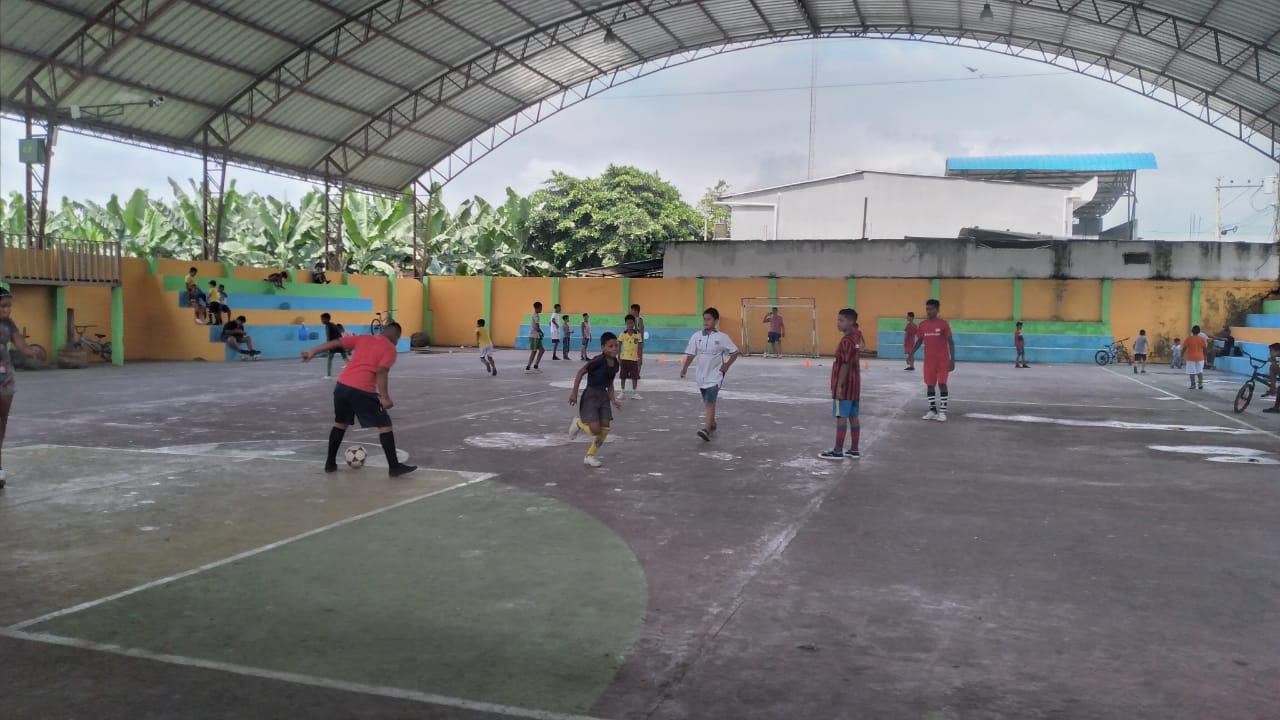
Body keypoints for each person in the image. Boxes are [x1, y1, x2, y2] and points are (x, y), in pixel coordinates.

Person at [301, 321, 417, 477]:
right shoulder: (390, 349)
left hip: (342, 386)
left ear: (383, 331)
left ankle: (330, 463)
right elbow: (381, 371)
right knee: (384, 424)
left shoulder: (363, 338)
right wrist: (385, 397)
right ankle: (394, 467)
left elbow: (337, 342)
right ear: (397, 337)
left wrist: (312, 350)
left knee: (340, 423)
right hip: (362, 390)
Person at [0, 287, 44, 487]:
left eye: (9, 306)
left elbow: (21, 346)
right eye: (3, 306)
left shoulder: (9, 324)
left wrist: (33, 351)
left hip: (5, 377)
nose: (7, 310)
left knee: (2, 420)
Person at [680, 307, 740, 442]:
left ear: (716, 321)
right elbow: (691, 354)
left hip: (716, 374)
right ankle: (712, 423)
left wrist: (726, 365)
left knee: (710, 401)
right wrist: (684, 368)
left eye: (709, 319)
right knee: (706, 400)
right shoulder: (696, 336)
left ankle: (706, 429)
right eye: (704, 319)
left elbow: (735, 352)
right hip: (701, 375)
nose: (706, 322)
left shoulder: (722, 337)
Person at [567, 331, 622, 467]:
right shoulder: (598, 360)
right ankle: (578, 423)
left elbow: (610, 383)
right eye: (610, 346)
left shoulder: (616, 364)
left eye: (616, 346)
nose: (614, 349)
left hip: (603, 396)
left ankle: (590, 456)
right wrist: (574, 393)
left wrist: (613, 399)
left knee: (605, 428)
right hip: (591, 395)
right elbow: (580, 372)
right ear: (603, 347)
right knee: (595, 430)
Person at [820, 308, 862, 460]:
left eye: (841, 320)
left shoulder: (846, 341)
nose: (838, 323)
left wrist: (839, 386)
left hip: (845, 387)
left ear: (851, 322)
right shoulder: (855, 338)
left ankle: (838, 450)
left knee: (841, 416)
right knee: (853, 416)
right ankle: (854, 449)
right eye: (838, 320)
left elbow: (844, 364)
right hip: (854, 386)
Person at [908, 299, 955, 421]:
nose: (928, 311)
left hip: (943, 360)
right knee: (930, 385)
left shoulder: (943, 324)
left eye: (931, 309)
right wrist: (911, 354)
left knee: (942, 384)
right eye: (927, 309)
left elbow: (950, 342)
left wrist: (952, 360)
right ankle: (932, 410)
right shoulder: (923, 325)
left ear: (937, 310)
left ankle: (942, 412)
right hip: (929, 361)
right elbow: (919, 341)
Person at [619, 314, 643, 399]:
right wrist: (618, 357)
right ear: (625, 324)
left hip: (634, 359)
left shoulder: (638, 335)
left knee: (634, 376)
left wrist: (639, 358)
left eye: (631, 323)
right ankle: (622, 392)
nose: (630, 325)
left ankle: (634, 393)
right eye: (628, 323)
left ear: (634, 324)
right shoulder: (623, 334)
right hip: (624, 358)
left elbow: (639, 348)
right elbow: (619, 346)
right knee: (623, 376)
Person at [320, 312, 348, 378]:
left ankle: (328, 375)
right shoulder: (334, 325)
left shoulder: (328, 326)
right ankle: (355, 371)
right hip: (340, 343)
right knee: (345, 358)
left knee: (330, 359)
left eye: (323, 319)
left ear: (327, 319)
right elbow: (339, 335)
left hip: (333, 344)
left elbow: (328, 337)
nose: (322, 321)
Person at [1182, 325, 1208, 390]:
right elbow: (1205, 349)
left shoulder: (1189, 339)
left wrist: (1181, 355)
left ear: (1192, 331)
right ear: (1199, 332)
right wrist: (1205, 357)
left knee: (1192, 372)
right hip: (1200, 357)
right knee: (1200, 371)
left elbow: (1184, 348)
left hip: (1191, 358)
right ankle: (1200, 384)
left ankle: (1193, 385)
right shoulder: (1202, 339)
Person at [525, 301, 545, 373]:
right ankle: (527, 368)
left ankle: (536, 366)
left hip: (537, 336)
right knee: (534, 351)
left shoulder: (536, 315)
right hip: (534, 336)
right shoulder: (536, 316)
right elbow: (536, 326)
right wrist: (541, 332)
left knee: (542, 350)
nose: (541, 309)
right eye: (540, 308)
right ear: (537, 308)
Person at [1261, 342, 1280, 413]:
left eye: (1271, 351)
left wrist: (1273, 362)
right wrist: (1274, 362)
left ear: (1278, 351)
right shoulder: (1278, 358)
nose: (1270, 353)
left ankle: (1276, 408)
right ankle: (1272, 388)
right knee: (1272, 367)